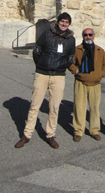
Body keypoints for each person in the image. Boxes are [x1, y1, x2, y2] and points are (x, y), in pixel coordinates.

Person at [15, 12, 76, 149]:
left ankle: (50, 134)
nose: (64, 24)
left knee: (54, 107)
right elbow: (37, 51)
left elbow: (71, 57)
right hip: (42, 74)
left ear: (69, 24)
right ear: (58, 22)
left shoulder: (71, 40)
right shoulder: (47, 34)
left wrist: (61, 67)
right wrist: (42, 65)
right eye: (62, 21)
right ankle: (27, 134)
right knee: (35, 105)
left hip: (58, 76)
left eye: (67, 22)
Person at [69, 28, 105, 142]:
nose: (88, 37)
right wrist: (75, 71)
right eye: (86, 35)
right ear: (83, 36)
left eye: (90, 34)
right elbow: (70, 62)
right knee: (79, 107)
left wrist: (102, 74)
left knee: (94, 108)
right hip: (81, 82)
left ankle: (94, 130)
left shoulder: (100, 50)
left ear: (94, 36)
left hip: (95, 84)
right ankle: (78, 131)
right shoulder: (77, 49)